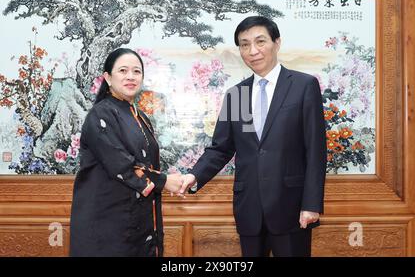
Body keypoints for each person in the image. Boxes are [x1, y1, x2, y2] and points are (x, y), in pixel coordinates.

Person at [180, 16, 327, 257]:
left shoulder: (303, 86)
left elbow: (315, 150)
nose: (253, 51)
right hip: (249, 208)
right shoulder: (236, 95)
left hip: (291, 208)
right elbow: (221, 149)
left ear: (276, 43)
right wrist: (193, 176)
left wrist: (311, 204)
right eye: (244, 44)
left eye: (260, 41)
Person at [70, 48, 183, 257]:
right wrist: (164, 181)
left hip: (138, 221)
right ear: (108, 77)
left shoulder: (141, 117)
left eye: (136, 71)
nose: (130, 76)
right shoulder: (100, 114)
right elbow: (121, 164)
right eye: (123, 70)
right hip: (109, 223)